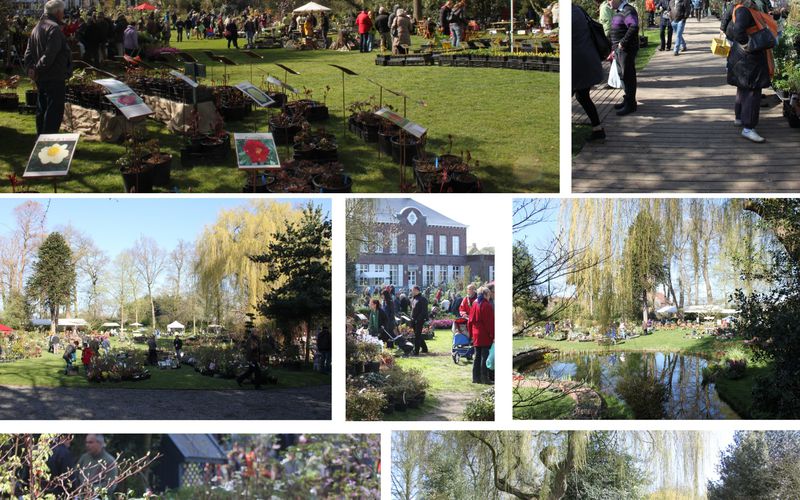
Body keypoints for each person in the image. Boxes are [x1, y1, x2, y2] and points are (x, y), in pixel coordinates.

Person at [724, 0, 775, 142]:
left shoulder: (743, 9)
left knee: (743, 88)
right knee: (753, 90)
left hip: (743, 56)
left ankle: (740, 118)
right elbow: (738, 31)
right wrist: (747, 45)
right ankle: (749, 128)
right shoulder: (744, 10)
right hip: (749, 57)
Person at [24, 0, 73, 135]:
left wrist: (31, 69)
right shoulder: (54, 28)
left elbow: (28, 53)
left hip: (43, 76)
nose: (63, 15)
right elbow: (49, 55)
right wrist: (35, 69)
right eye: (62, 12)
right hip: (54, 75)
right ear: (57, 12)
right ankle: (47, 141)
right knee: (53, 110)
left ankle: (40, 138)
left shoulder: (37, 28)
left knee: (43, 108)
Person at [573, 4, 607, 142]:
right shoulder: (578, 9)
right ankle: (597, 129)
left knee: (581, 95)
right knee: (582, 95)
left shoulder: (568, 13)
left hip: (577, 62)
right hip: (587, 58)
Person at [610, 0, 640, 116]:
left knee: (628, 77)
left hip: (626, 50)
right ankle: (627, 99)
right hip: (619, 50)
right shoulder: (620, 11)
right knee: (623, 76)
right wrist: (613, 49)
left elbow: (634, 26)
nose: (608, 2)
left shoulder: (628, 10)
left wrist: (623, 43)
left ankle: (631, 105)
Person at [469, 286, 494, 384]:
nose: (490, 297)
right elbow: (490, 322)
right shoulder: (486, 305)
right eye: (489, 295)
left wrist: (471, 334)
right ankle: (484, 378)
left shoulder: (474, 303)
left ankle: (476, 378)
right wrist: (492, 335)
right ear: (485, 294)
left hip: (476, 334)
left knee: (477, 356)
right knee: (485, 356)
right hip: (484, 334)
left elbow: (470, 321)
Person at [410, 286, 429, 355]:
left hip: (420, 320)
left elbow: (424, 311)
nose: (412, 292)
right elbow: (412, 310)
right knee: (417, 334)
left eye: (413, 290)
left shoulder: (423, 299)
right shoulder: (413, 299)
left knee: (417, 335)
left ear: (417, 290)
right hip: (414, 319)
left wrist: (418, 319)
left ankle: (416, 351)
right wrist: (412, 318)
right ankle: (424, 348)